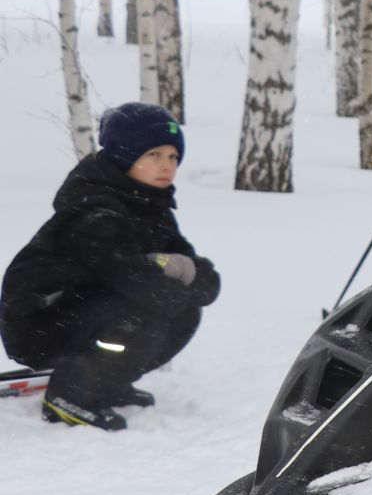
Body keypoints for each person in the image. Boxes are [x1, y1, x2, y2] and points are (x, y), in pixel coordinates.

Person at [1, 103, 220, 430]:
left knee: (181, 310)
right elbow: (137, 283)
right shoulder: (96, 211)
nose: (167, 166)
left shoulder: (151, 206)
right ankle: (71, 396)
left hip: (85, 312)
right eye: (154, 155)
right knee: (144, 310)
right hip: (40, 322)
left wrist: (185, 271)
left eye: (173, 157)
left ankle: (105, 382)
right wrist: (173, 277)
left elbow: (206, 283)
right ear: (124, 155)